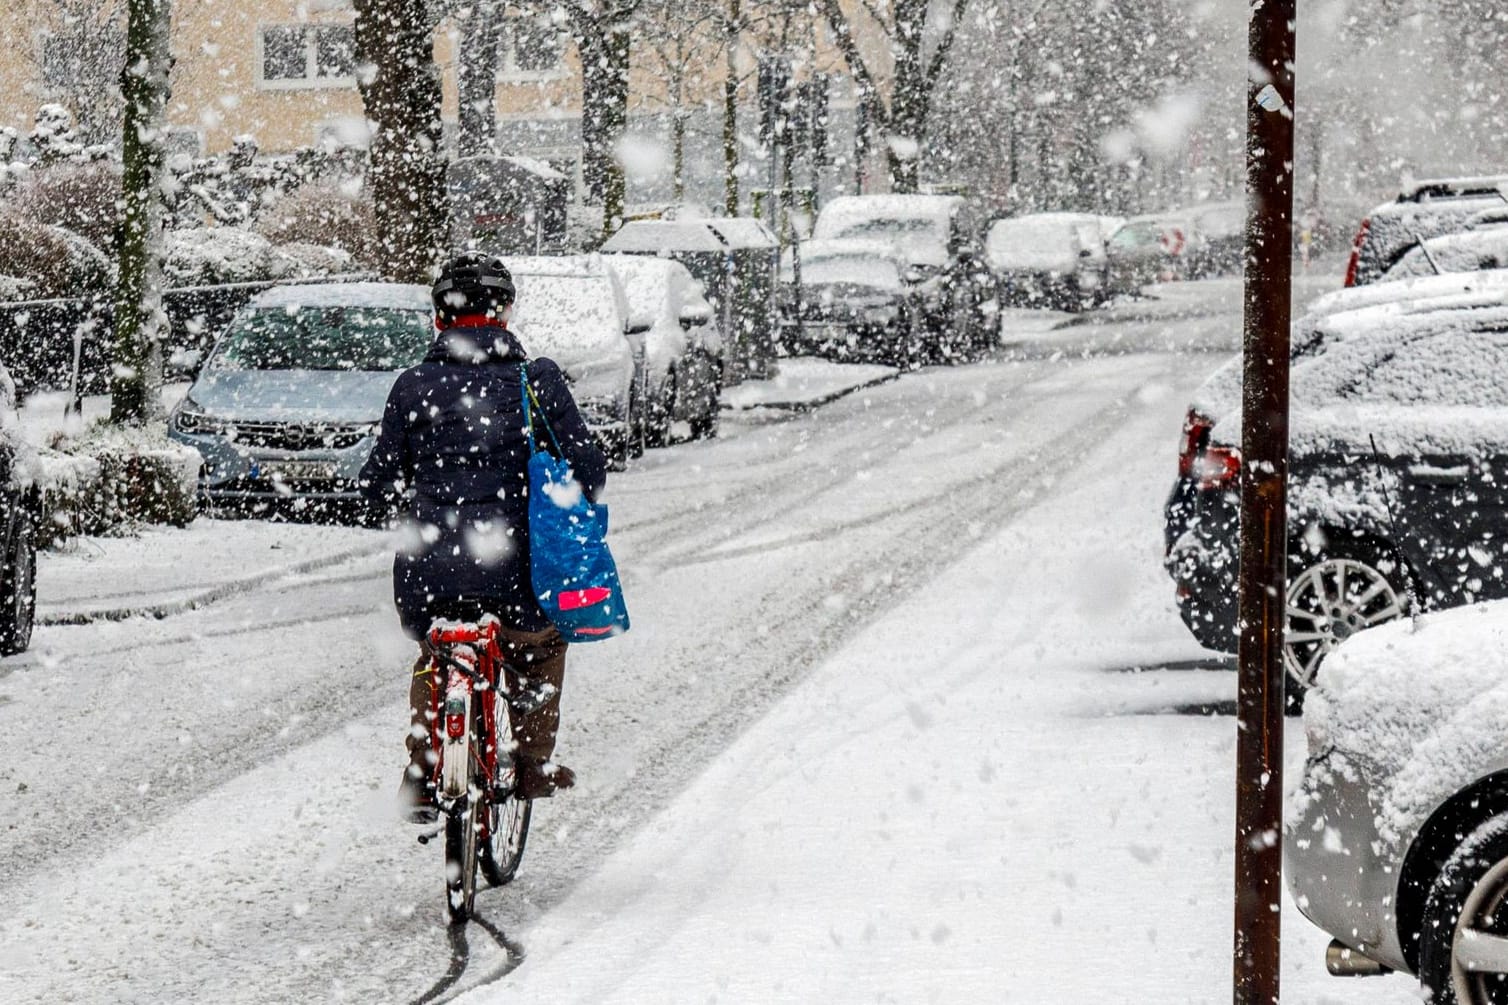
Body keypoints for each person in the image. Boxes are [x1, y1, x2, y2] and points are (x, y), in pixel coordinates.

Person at [360, 253, 608, 822]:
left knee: (437, 648)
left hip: (428, 571)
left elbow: (377, 484)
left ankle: (423, 772)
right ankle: (531, 764)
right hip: (517, 568)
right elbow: (588, 472)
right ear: (506, 311)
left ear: (438, 318)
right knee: (540, 646)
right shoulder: (536, 380)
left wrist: (407, 506)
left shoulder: (413, 385)